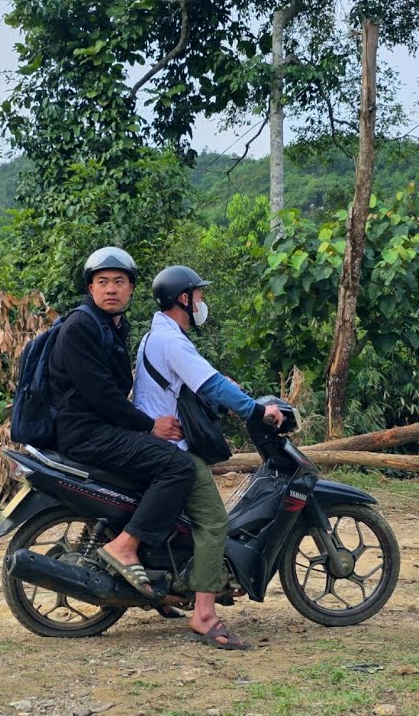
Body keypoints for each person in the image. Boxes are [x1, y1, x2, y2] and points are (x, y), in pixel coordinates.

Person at [132, 265, 282, 650]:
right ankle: (204, 616)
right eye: (198, 295)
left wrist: (227, 391)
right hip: (171, 450)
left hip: (155, 441)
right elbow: (208, 383)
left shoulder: (155, 336)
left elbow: (196, 382)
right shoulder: (174, 342)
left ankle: (169, 590)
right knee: (215, 521)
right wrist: (255, 410)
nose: (202, 303)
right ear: (182, 298)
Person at [47, 247, 195, 597]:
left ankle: (155, 580)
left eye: (119, 281)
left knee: (153, 471)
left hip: (102, 428)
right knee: (178, 467)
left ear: (131, 288)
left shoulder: (113, 326)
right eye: (102, 282)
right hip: (87, 434)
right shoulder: (80, 327)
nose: (111, 288)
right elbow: (102, 395)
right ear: (91, 289)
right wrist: (148, 426)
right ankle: (125, 546)